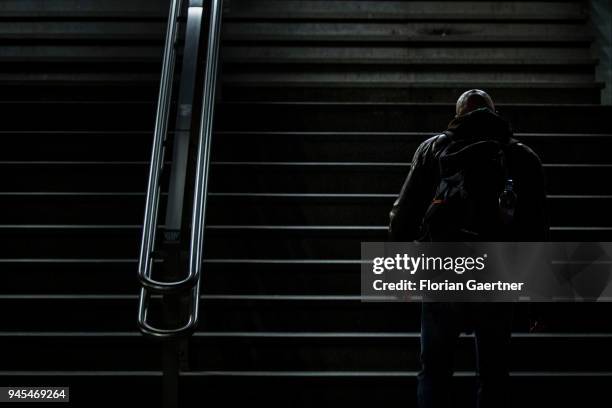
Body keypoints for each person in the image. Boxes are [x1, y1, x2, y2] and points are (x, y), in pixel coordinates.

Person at [388, 90, 548, 408]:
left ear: (457, 115)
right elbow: (537, 231)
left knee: (434, 370)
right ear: (495, 113)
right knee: (493, 373)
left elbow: (401, 217)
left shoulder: (433, 149)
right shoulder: (523, 156)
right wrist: (536, 303)